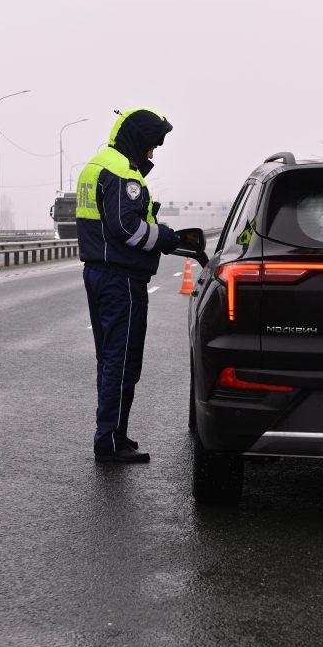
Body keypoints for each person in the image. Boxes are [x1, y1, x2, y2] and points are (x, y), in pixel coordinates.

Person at [75, 108, 196, 463]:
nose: (152, 153)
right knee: (123, 360)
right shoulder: (123, 172)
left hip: (99, 273)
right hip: (121, 279)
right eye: (151, 145)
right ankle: (110, 440)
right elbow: (127, 228)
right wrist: (166, 237)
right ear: (140, 139)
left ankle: (113, 433)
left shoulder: (96, 165)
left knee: (110, 358)